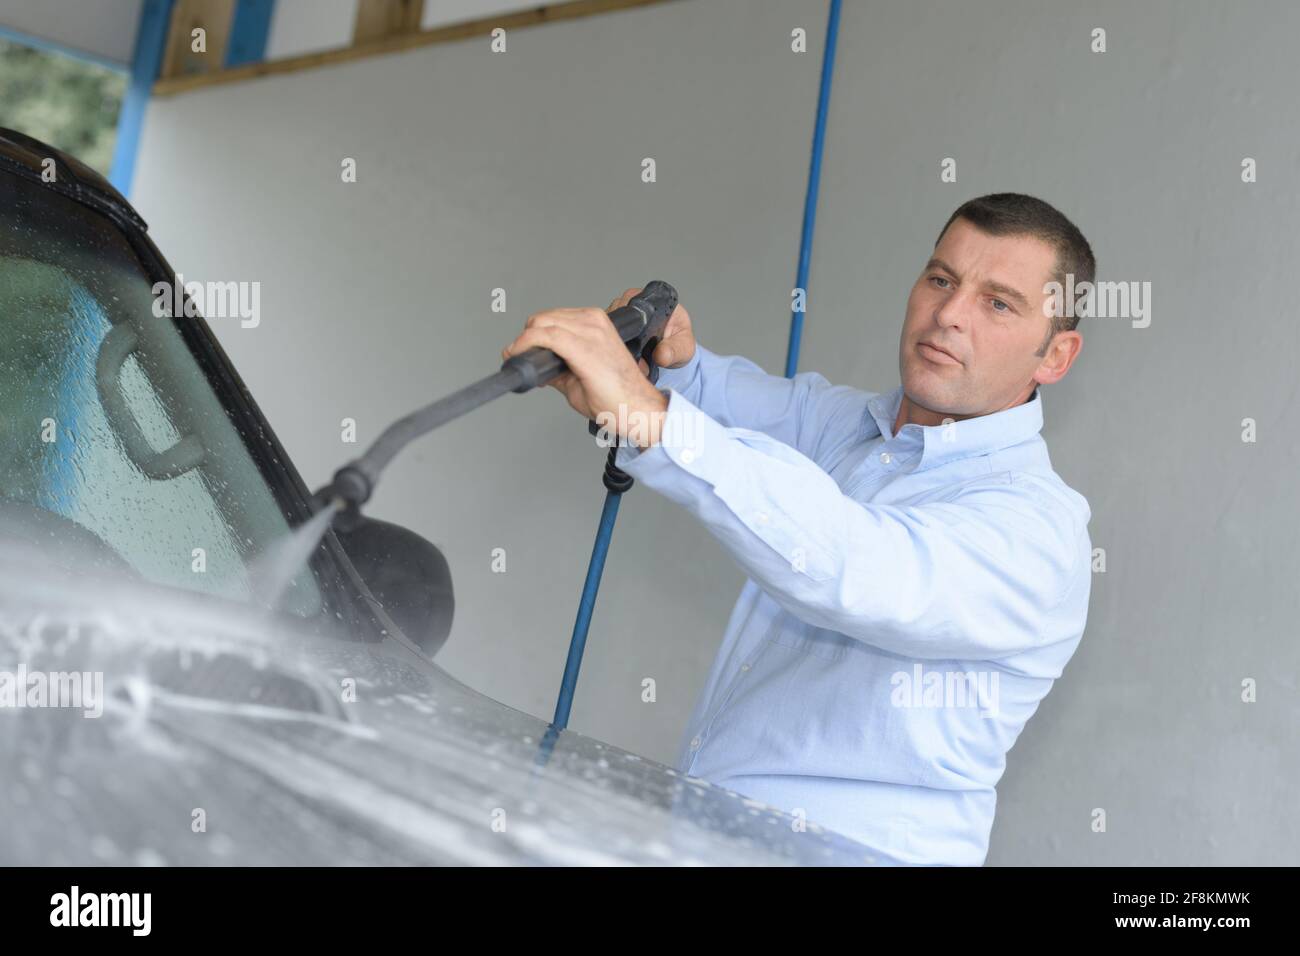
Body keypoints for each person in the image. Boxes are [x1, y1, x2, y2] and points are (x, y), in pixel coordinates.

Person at [501, 192, 1094, 865]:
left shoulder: (1037, 531)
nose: (950, 315)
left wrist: (644, 410)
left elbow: (853, 563)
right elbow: (723, 404)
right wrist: (669, 363)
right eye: (941, 279)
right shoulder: (849, 425)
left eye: (998, 303)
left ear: (1055, 356)